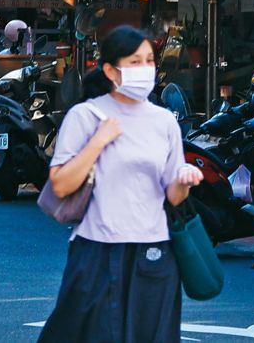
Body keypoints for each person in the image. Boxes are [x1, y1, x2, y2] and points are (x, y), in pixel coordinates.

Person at [39, 26, 203, 343]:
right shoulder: (85, 116)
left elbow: (172, 195)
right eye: (135, 62)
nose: (145, 70)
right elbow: (60, 185)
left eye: (150, 61)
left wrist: (183, 181)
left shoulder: (164, 121)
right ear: (111, 70)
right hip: (96, 252)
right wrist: (98, 142)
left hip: (153, 253)